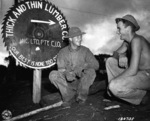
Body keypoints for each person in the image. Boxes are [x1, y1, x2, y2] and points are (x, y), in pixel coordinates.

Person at [105, 14, 150, 106]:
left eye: (119, 28)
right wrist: (122, 55)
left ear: (128, 29)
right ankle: (116, 93)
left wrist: (111, 84)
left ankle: (144, 96)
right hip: (139, 74)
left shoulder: (137, 40)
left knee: (114, 86)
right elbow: (114, 55)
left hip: (147, 75)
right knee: (110, 61)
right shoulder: (127, 43)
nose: (117, 32)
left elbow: (132, 70)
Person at [49, 27, 99, 106]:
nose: (80, 39)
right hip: (68, 85)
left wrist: (82, 67)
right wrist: (66, 73)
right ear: (71, 39)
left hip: (82, 83)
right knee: (53, 74)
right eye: (77, 37)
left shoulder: (85, 51)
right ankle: (68, 98)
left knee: (91, 71)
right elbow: (60, 70)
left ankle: (81, 97)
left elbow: (96, 65)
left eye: (80, 36)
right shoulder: (62, 52)